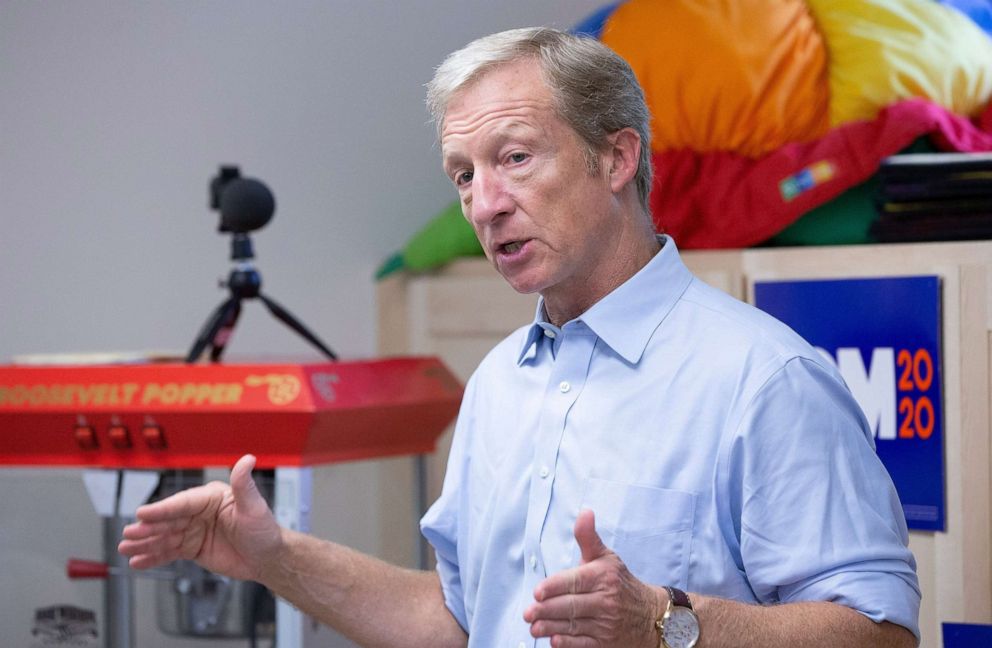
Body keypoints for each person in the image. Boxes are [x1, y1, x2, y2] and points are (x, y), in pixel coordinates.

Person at [119, 27, 920, 647]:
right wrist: (273, 556)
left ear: (616, 158)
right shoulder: (501, 379)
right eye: (463, 174)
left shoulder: (764, 377)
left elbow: (878, 633)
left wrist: (663, 621)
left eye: (514, 158)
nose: (484, 204)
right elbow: (457, 621)